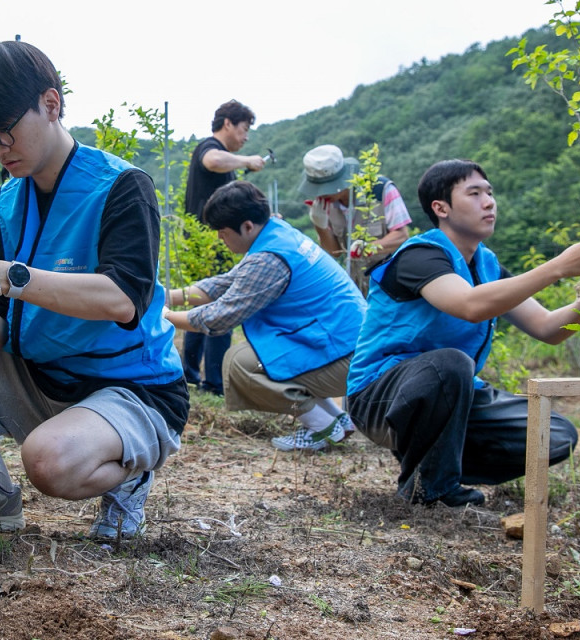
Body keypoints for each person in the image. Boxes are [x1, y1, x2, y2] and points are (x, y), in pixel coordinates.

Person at [0, 40, 187, 541]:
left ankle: (131, 473)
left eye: (5, 132)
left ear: (51, 104)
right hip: (41, 379)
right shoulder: (0, 208)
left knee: (47, 462)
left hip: (130, 389)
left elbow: (121, 300)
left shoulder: (122, 187)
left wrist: (6, 275)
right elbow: (0, 331)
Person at [346, 159, 580, 507]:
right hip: (379, 396)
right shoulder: (420, 256)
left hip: (452, 392)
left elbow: (548, 328)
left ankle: (431, 466)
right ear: (441, 208)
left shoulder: (487, 264)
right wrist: (558, 267)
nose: (489, 202)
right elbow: (469, 305)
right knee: (451, 364)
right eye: (474, 194)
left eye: (490, 193)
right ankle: (432, 488)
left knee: (554, 434)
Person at [164, 181, 365, 451]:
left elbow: (218, 318)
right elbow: (225, 284)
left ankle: (321, 428)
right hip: (346, 343)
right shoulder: (278, 234)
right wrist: (167, 296)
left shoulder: (269, 258)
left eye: (223, 233)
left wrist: (165, 316)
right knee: (256, 357)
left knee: (241, 366)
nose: (220, 239)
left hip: (346, 357)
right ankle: (335, 419)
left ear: (247, 226)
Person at [181, 100, 266, 395]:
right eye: (244, 130)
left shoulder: (224, 158)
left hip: (208, 243)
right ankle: (213, 382)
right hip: (211, 243)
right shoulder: (210, 148)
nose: (245, 138)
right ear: (228, 123)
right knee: (220, 305)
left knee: (202, 302)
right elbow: (213, 161)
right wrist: (247, 161)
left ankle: (192, 375)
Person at [299, 144, 412, 292]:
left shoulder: (380, 190)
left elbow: (401, 236)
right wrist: (320, 226)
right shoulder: (326, 205)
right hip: (354, 285)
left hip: (387, 283)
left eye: (326, 189)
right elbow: (334, 252)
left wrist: (368, 248)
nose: (321, 194)